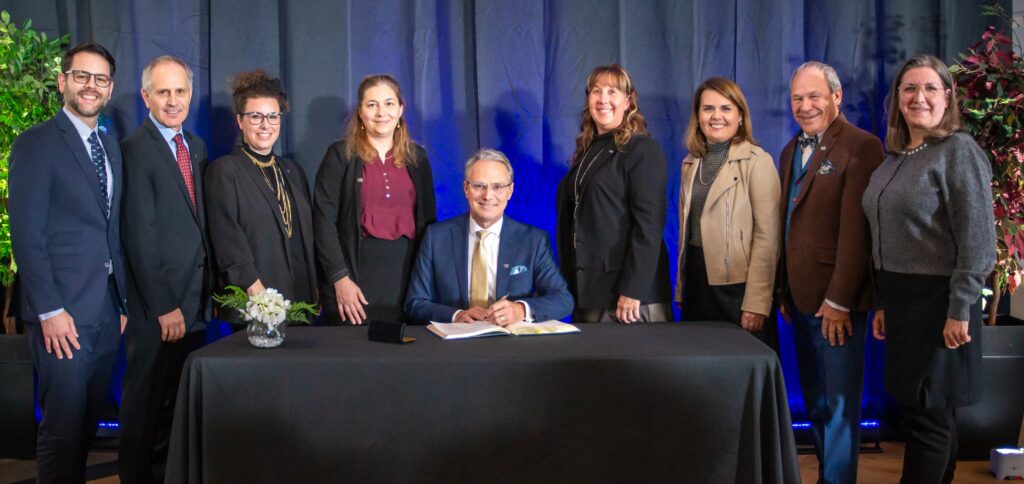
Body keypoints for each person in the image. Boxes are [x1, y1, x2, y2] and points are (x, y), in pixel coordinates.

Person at [864, 54, 995, 484]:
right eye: (909, 89)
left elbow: (978, 239)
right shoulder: (897, 157)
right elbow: (887, 236)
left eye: (929, 88)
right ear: (898, 99)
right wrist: (884, 302)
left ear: (947, 97)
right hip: (902, 302)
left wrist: (961, 307)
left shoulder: (958, 151)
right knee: (932, 413)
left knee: (928, 418)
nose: (919, 97)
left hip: (941, 302)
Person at [8, 41, 128, 484]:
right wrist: (50, 311)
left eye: (100, 79)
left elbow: (109, 229)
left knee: (86, 425)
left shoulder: (110, 147)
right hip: (62, 314)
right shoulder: (35, 144)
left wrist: (122, 304)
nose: (90, 86)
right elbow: (27, 235)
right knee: (61, 429)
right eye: (82, 76)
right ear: (63, 82)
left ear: (110, 88)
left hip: (106, 310)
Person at [777, 61, 885, 484]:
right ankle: (827, 477)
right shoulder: (791, 150)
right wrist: (784, 289)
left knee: (840, 406)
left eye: (814, 96)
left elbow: (857, 235)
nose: (805, 106)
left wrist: (839, 301)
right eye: (798, 98)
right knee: (817, 402)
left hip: (837, 303)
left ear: (836, 97)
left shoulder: (862, 146)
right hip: (800, 299)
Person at [119, 55, 209, 484]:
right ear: (145, 96)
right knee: (145, 405)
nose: (173, 101)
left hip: (192, 301)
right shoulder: (135, 150)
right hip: (160, 307)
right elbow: (139, 234)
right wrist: (164, 305)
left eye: (180, 91)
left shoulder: (195, 145)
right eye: (163, 92)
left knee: (175, 403)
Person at [314, 75, 435, 325]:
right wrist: (340, 278)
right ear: (360, 111)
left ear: (401, 109)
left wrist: (427, 284)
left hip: (407, 279)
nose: (381, 112)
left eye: (389, 103)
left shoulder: (418, 158)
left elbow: (429, 223)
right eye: (372, 105)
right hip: (354, 279)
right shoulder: (340, 155)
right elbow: (322, 222)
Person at [555, 64, 671, 323]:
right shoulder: (588, 151)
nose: (603, 99)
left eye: (612, 91)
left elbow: (649, 226)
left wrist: (633, 290)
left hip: (628, 300)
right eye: (596, 91)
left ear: (628, 102)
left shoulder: (641, 150)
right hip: (590, 293)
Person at [406, 149, 573, 324]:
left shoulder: (533, 240)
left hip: (511, 345)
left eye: (497, 187)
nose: (488, 195)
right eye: (479, 186)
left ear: (510, 191)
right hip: (455, 345)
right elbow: (415, 302)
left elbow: (563, 300)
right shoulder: (436, 237)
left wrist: (521, 309)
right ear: (466, 189)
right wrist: (456, 315)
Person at [206, 70, 317, 322]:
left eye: (272, 116)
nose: (266, 125)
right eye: (255, 116)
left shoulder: (293, 170)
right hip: (255, 303)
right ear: (240, 120)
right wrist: (256, 292)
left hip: (299, 301)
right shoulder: (224, 170)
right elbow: (226, 239)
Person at [676, 77, 780, 336]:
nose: (716, 116)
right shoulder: (690, 164)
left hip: (737, 289)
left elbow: (768, 238)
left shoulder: (758, 161)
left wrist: (757, 302)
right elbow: (684, 235)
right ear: (698, 116)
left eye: (725, 108)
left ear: (741, 116)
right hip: (696, 283)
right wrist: (681, 286)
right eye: (708, 108)